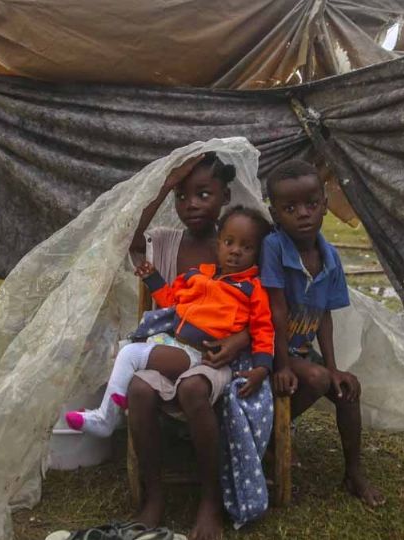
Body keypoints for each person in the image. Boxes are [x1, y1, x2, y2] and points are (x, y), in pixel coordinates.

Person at [125, 152, 258, 540]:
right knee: (138, 387)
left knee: (193, 387)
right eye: (182, 197)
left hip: (215, 357)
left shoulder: (237, 242)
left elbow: (260, 306)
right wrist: (166, 183)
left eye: (203, 194)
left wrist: (238, 341)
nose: (191, 205)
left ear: (224, 195)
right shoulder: (167, 243)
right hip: (170, 348)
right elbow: (129, 237)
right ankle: (154, 496)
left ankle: (210, 500)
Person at [65, 205, 274, 437]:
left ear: (258, 254)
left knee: (130, 355)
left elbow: (264, 329)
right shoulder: (197, 275)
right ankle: (113, 411)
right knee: (123, 349)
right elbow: (173, 302)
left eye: (246, 247)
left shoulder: (252, 289)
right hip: (174, 342)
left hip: (199, 355)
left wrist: (263, 368)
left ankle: (105, 418)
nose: (235, 251)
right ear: (218, 244)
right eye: (229, 243)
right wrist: (153, 279)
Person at [260, 159, 386, 507]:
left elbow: (323, 317)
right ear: (275, 214)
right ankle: (271, 436)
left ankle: (354, 472)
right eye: (290, 208)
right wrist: (282, 365)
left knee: (347, 388)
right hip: (266, 350)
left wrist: (334, 367)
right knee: (314, 379)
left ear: (325, 205)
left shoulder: (329, 258)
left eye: (311, 204)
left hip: (300, 351)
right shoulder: (273, 247)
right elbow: (277, 310)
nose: (303, 213)